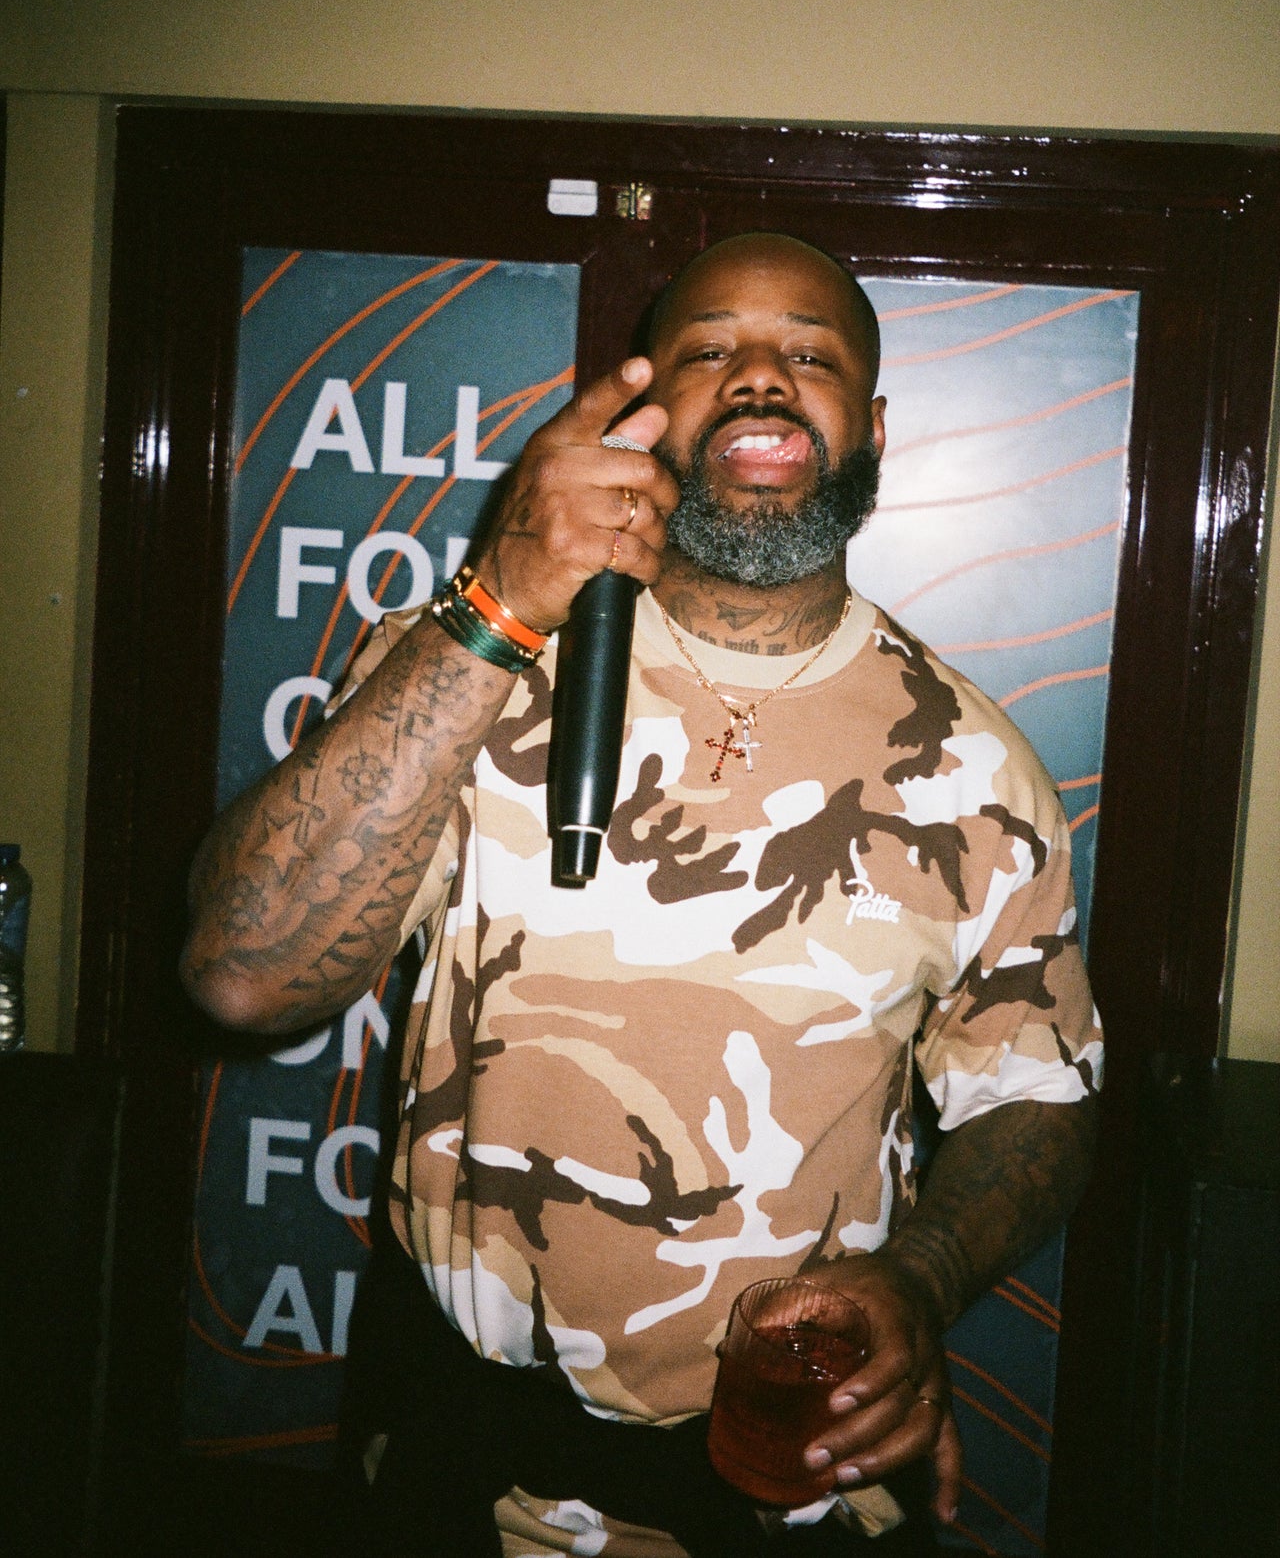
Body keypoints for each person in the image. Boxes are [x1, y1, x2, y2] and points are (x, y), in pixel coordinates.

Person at [183, 233, 1101, 1557]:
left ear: (875, 426)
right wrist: (503, 600)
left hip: (788, 1487)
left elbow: (1037, 1095)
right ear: (645, 413)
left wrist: (924, 1275)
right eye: (710, 349)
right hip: (462, 1467)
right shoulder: (474, 661)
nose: (760, 377)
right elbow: (243, 973)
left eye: (810, 354)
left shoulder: (975, 767)